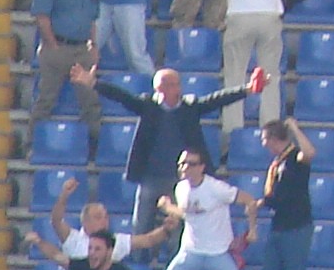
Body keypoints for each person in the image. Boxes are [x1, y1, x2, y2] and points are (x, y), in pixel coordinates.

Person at [96, 66, 246, 235]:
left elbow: (218, 99)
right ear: (161, 88)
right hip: (150, 178)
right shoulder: (148, 106)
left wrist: (246, 90)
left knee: (177, 229)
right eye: (174, 84)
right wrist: (95, 83)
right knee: (141, 226)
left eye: (178, 84)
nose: (179, 88)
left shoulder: (189, 107)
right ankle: (138, 260)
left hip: (181, 180)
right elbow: (121, 96)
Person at [150, 143, 261, 270]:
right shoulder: (181, 188)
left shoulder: (216, 188)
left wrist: (252, 229)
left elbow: (249, 201)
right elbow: (187, 214)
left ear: (201, 167)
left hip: (218, 252)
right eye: (182, 164)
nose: (185, 168)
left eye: (191, 164)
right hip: (190, 251)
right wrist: (170, 210)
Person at [255, 119, 323, 270]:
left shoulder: (295, 157)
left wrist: (295, 128)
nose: (263, 144)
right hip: (278, 226)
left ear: (275, 138)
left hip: (297, 227)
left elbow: (310, 152)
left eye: (265, 139)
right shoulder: (277, 163)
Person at [29, 0, 105, 128]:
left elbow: (92, 18)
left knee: (90, 101)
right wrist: (53, 45)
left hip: (82, 50)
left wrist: (93, 45)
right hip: (57, 49)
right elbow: (41, 15)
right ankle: (34, 144)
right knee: (46, 100)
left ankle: (94, 145)